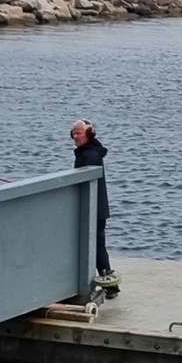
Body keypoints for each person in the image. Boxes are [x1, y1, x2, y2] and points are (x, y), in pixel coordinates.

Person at [71, 119, 116, 293]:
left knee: (97, 247)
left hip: (93, 208)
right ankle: (110, 285)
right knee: (98, 247)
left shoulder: (89, 156)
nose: (75, 137)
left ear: (89, 134)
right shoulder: (89, 152)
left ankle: (110, 286)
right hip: (96, 207)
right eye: (73, 133)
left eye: (79, 133)